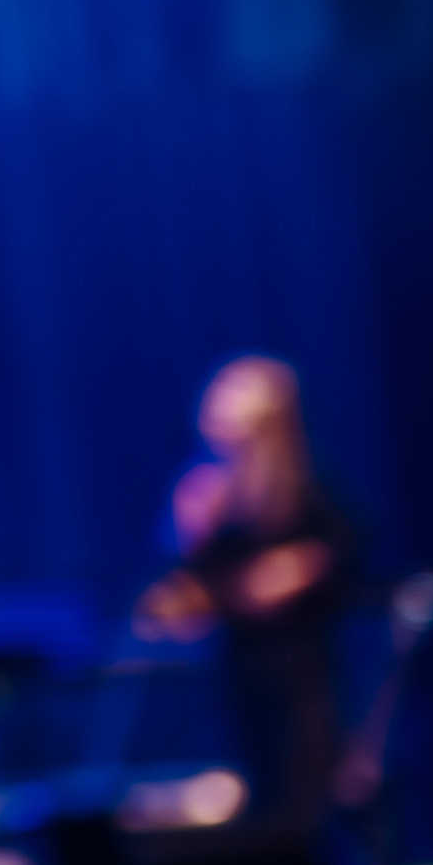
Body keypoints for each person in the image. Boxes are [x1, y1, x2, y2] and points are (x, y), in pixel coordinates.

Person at [137, 355, 364, 834]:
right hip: (237, 659)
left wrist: (296, 570)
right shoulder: (206, 491)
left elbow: (344, 548)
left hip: (298, 659)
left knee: (306, 767)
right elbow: (185, 581)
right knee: (247, 773)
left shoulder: (302, 482)